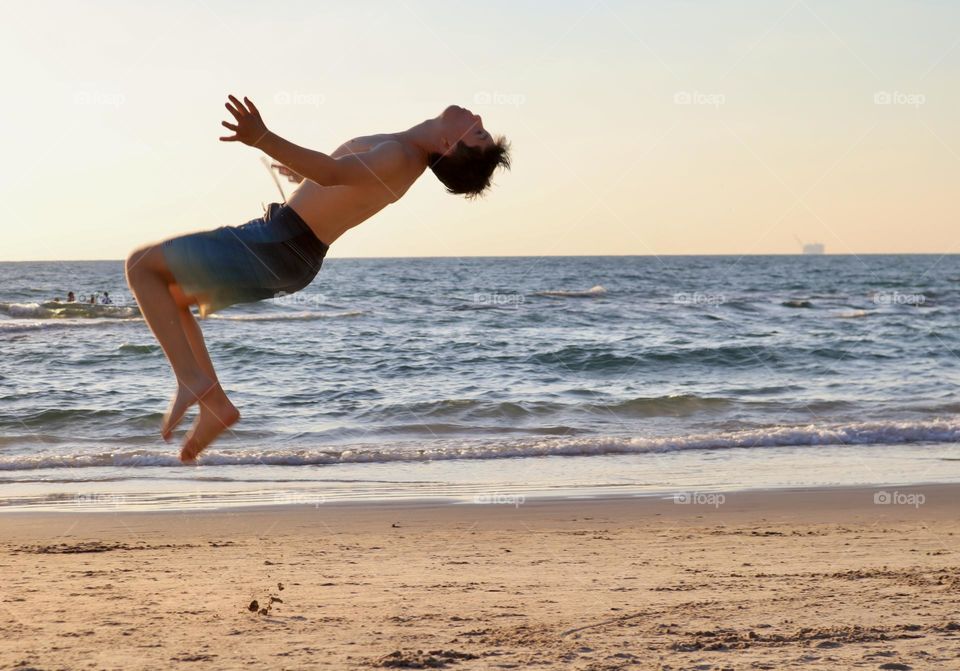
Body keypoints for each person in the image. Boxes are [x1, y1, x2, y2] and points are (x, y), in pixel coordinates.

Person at [126, 95, 510, 463]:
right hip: (294, 257)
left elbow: (331, 172)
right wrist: (303, 175)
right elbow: (342, 179)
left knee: (141, 266)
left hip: (278, 243)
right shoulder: (405, 156)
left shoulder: (399, 154)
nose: (478, 119)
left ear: (447, 146)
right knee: (172, 297)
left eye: (478, 133)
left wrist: (262, 137)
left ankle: (191, 381)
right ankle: (215, 405)